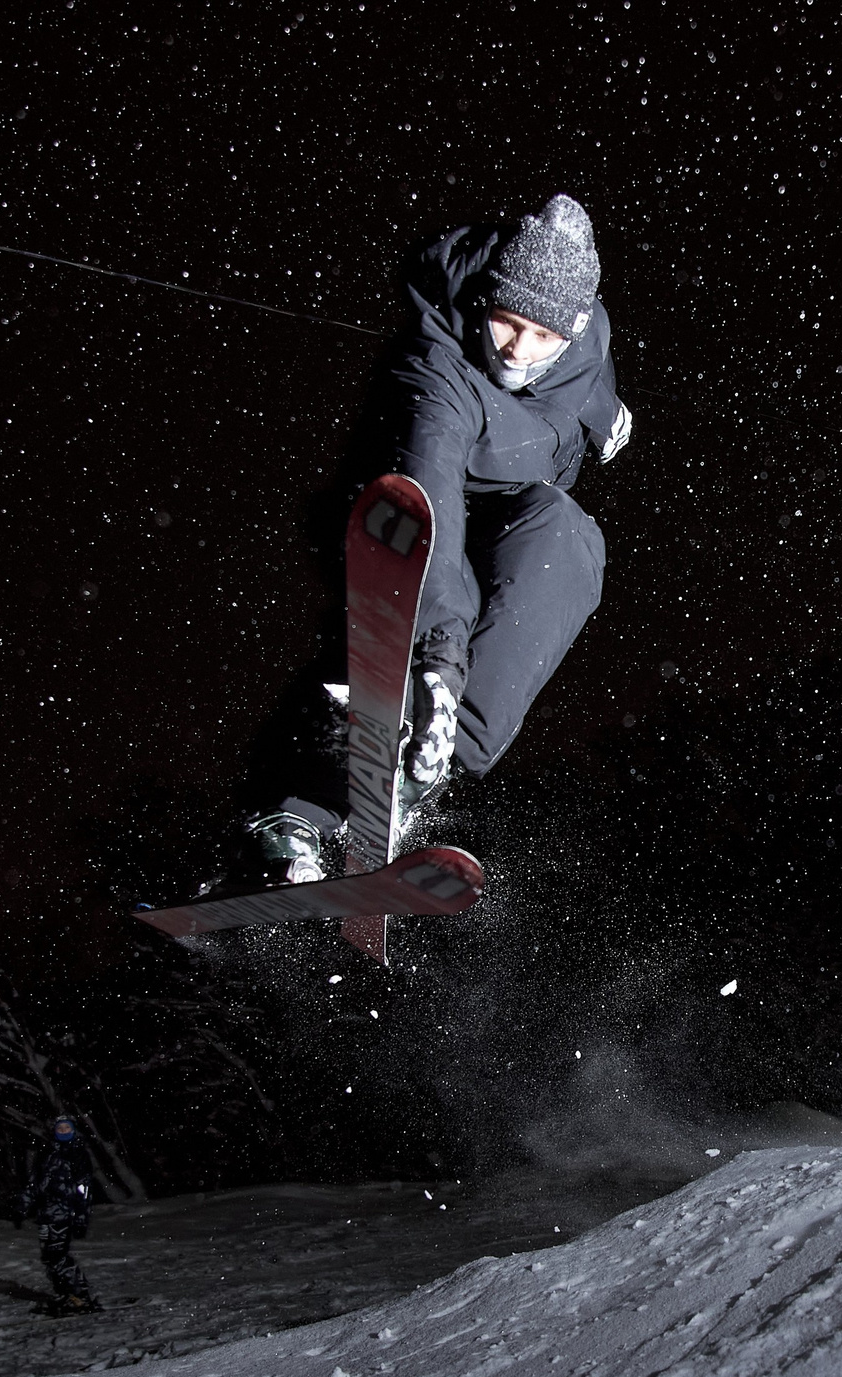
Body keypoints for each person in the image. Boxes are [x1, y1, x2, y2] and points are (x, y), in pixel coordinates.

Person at [239, 192, 636, 883]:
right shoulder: (437, 366)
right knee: (408, 619)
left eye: (544, 337)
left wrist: (606, 418)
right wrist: (440, 651)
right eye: (507, 324)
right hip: (401, 508)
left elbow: (583, 373)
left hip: (506, 513)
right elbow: (431, 481)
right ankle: (293, 807)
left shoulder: (584, 342)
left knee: (570, 541)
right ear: (486, 301)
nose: (518, 351)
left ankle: (428, 767)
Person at [23, 1113, 100, 1314]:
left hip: (65, 1213)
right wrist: (23, 1204)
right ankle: (65, 1294)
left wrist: (82, 1216)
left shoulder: (77, 1153)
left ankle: (79, 1296)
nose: (63, 1132)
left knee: (58, 1255)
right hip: (45, 1214)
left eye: (67, 1128)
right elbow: (34, 1183)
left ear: (73, 1130)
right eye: (60, 1129)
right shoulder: (47, 1153)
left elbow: (84, 1187)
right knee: (49, 1257)